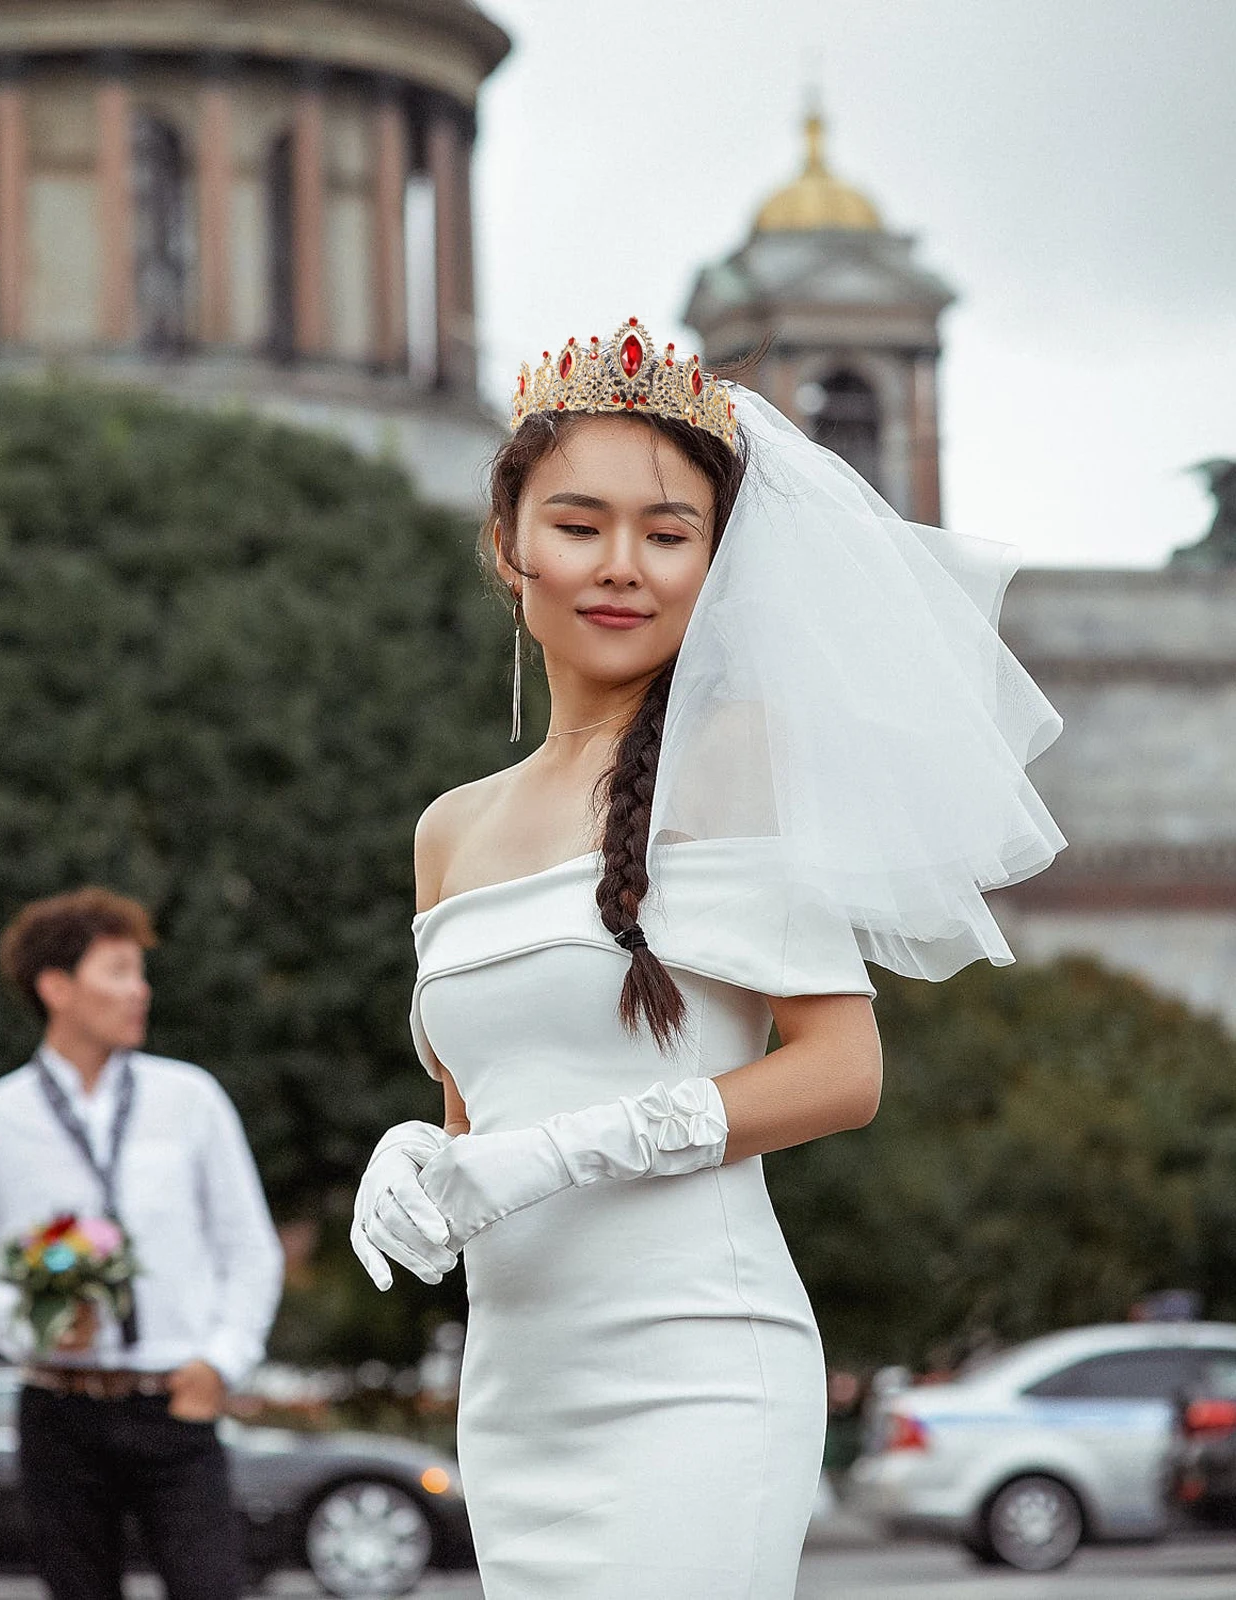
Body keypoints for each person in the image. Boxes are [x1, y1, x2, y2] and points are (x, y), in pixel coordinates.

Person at [351, 320, 1064, 1598]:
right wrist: (417, 1159)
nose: (623, 566)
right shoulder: (446, 827)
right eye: (580, 525)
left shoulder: (730, 761)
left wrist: (564, 1148)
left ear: (714, 561)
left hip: (694, 1367)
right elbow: (477, 1112)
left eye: (669, 534)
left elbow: (841, 1070)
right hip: (517, 1390)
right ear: (507, 546)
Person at [0, 887, 284, 1600]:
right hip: (58, 1413)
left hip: (175, 1406)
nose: (141, 990)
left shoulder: (191, 1099)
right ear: (57, 987)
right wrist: (34, 1329)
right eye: (120, 971)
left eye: (140, 972)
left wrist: (221, 1364)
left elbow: (250, 1249)